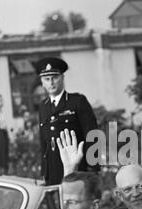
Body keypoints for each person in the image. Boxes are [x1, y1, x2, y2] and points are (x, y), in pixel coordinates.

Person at [36, 57, 99, 185]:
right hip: (52, 171)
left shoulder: (77, 101)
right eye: (47, 79)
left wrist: (93, 168)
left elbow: (92, 134)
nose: (51, 83)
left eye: (55, 78)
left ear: (62, 78)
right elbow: (44, 142)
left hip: (76, 169)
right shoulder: (43, 106)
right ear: (42, 82)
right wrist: (44, 172)